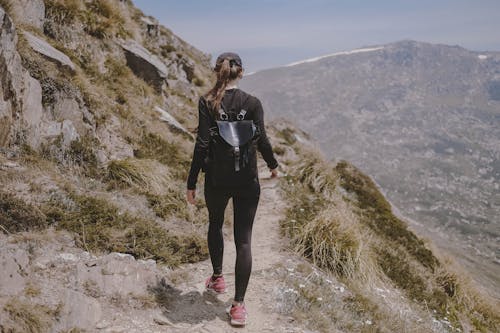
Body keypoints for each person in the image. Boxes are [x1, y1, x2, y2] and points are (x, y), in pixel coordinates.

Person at [186, 52, 278, 326]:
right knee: (244, 240)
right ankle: (238, 306)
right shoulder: (252, 103)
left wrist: (191, 182)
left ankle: (217, 279)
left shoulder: (208, 102)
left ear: (217, 72)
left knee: (215, 225)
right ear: (242, 72)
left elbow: (202, 145)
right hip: (247, 180)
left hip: (216, 179)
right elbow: (261, 139)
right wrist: (273, 166)